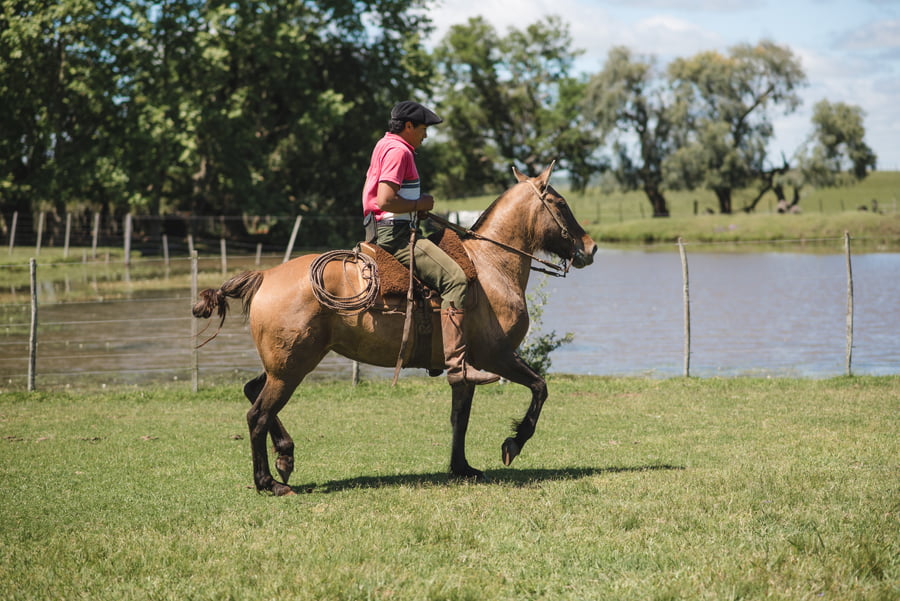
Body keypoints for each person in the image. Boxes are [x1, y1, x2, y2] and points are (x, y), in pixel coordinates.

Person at [362, 101, 499, 386]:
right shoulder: (400, 151)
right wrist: (419, 202)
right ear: (409, 126)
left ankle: (434, 348)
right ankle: (457, 365)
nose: (425, 135)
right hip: (395, 235)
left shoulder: (384, 144)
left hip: (383, 227)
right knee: (456, 280)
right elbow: (385, 200)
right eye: (423, 129)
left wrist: (414, 209)